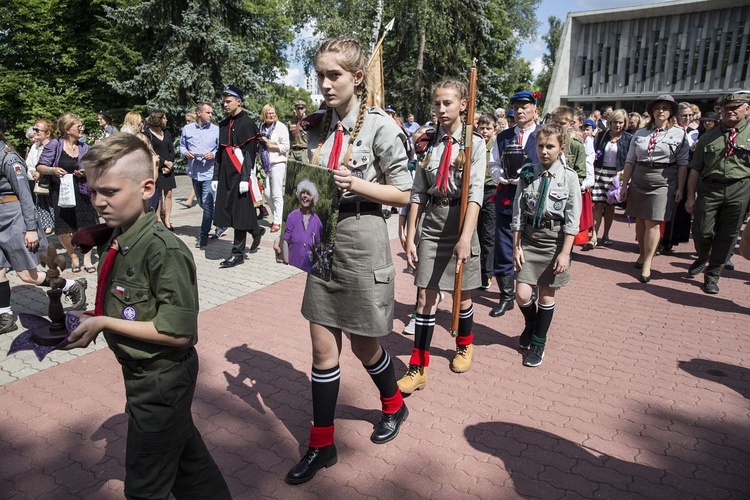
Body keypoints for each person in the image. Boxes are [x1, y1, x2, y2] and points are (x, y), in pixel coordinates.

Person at [63, 133, 231, 499]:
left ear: (147, 188)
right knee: (191, 467)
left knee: (144, 486)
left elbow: (178, 333)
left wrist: (103, 323)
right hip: (145, 377)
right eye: (93, 192)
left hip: (161, 380)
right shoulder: (118, 235)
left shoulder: (162, 251)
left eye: (109, 192)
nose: (98, 203)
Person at [285, 36, 412, 485]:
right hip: (321, 240)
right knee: (322, 351)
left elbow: (404, 192)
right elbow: (306, 184)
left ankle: (394, 404)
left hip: (362, 240)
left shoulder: (380, 126)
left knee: (363, 345)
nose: (324, 83)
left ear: (358, 78)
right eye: (319, 74)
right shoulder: (317, 126)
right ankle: (321, 445)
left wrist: (356, 184)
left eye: (334, 75)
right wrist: (288, 235)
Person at [397, 77, 486, 394]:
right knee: (424, 296)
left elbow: (475, 194)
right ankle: (418, 366)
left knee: (462, 294)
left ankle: (464, 343)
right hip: (432, 223)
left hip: (460, 221)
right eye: (437, 103)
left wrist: (465, 237)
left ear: (463, 104)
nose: (441, 108)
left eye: (447, 102)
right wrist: (410, 234)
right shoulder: (427, 142)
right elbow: (418, 191)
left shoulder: (474, 143)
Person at [1, 132, 87, 334]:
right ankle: (4, 316)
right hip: (1, 219)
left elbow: (25, 195)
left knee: (26, 275)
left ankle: (71, 285)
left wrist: (31, 229)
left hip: (14, 220)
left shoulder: (8, 158)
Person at [511, 123, 582, 367]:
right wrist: (516, 246)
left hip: (554, 242)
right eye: (540, 146)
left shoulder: (569, 178)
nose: (544, 151)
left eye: (550, 146)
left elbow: (573, 220)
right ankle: (532, 323)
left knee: (546, 295)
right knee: (521, 294)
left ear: (561, 148)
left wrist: (565, 253)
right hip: (529, 240)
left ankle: (538, 343)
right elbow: (518, 213)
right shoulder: (528, 173)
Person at [619, 95, 690, 283]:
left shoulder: (679, 133)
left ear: (671, 112)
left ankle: (648, 262)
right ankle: (642, 254)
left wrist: (680, 189)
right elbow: (630, 160)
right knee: (641, 220)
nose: (661, 111)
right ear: (651, 111)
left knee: (654, 221)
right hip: (640, 177)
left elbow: (683, 163)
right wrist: (625, 184)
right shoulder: (641, 133)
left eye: (665, 108)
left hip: (664, 179)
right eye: (657, 107)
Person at [685, 93, 750, 294]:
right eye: (726, 108)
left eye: (736, 107)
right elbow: (695, 168)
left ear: (746, 109)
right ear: (720, 111)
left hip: (739, 188)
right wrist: (690, 196)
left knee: (728, 234)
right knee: (701, 230)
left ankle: (713, 274)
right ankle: (703, 255)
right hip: (710, 188)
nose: (731, 111)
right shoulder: (708, 137)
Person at [488, 91, 540, 318]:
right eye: (516, 106)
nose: (519, 110)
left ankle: (532, 288)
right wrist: (503, 176)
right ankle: (507, 296)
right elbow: (493, 164)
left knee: (532, 245)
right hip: (507, 197)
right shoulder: (504, 136)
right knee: (503, 247)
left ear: (534, 110)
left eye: (524, 106)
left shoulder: (543, 136)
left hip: (533, 200)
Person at [37, 113, 99, 273]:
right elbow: (41, 166)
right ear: (67, 129)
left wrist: (85, 172)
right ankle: (73, 255)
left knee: (88, 225)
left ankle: (86, 258)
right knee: (64, 228)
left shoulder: (84, 147)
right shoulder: (54, 145)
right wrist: (53, 170)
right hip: (61, 192)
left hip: (83, 192)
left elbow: (93, 166)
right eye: (78, 126)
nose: (82, 129)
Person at [213, 86, 265, 268]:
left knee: (240, 213)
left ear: (239, 102)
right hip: (226, 175)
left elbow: (250, 155)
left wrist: (245, 178)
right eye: (224, 101)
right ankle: (256, 231)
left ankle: (237, 253)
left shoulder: (248, 124)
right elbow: (220, 153)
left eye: (229, 101)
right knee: (229, 209)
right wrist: (215, 176)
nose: (225, 104)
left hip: (240, 175)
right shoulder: (223, 124)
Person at [180, 102, 224, 248]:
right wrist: (185, 152)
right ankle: (221, 221)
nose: (211, 115)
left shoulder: (216, 130)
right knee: (202, 203)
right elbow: (182, 145)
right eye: (208, 113)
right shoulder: (187, 129)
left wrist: (213, 154)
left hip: (209, 173)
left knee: (208, 205)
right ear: (199, 113)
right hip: (194, 172)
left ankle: (203, 235)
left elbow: (221, 149)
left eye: (211, 113)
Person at [590, 109, 632, 247]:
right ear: (610, 122)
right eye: (615, 122)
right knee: (598, 205)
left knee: (610, 206)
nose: (618, 125)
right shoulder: (602, 135)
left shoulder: (628, 138)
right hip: (600, 172)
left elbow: (629, 159)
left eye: (621, 122)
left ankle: (606, 235)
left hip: (616, 175)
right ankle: (594, 236)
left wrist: (623, 176)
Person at [259, 104, 290, 233]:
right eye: (268, 113)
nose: (271, 115)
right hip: (266, 163)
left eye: (273, 113)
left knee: (276, 192)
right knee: (266, 193)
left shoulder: (280, 127)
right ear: (264, 114)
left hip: (278, 162)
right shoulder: (261, 127)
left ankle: (277, 221)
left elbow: (286, 146)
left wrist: (270, 145)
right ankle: (279, 214)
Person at [144, 110, 176, 230]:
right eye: (164, 118)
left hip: (169, 167)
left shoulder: (166, 132)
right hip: (157, 167)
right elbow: (151, 150)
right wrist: (164, 163)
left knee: (169, 194)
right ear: (158, 119)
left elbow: (171, 149)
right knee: (157, 194)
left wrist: (170, 163)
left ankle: (167, 219)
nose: (166, 120)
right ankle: (158, 219)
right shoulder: (148, 134)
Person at [283, 179, 323, 272]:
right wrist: (286, 262)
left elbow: (317, 247)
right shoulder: (292, 216)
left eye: (308, 194)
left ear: (313, 199)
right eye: (302, 193)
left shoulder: (317, 221)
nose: (305, 196)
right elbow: (286, 241)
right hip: (292, 264)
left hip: (308, 268)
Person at [476, 113, 497, 289]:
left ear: (494, 130)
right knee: (474, 232)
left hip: (491, 192)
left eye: (488, 128)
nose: (484, 131)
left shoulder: (495, 147)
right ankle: (475, 270)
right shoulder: (474, 145)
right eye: (482, 128)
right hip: (475, 191)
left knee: (488, 234)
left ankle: (486, 273)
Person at [25, 119, 56, 234]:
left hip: (53, 185)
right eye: (34, 129)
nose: (34, 132)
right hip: (40, 185)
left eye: (37, 130)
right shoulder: (34, 147)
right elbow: (28, 163)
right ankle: (46, 230)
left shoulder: (55, 145)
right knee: (42, 209)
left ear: (47, 133)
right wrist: (33, 172)